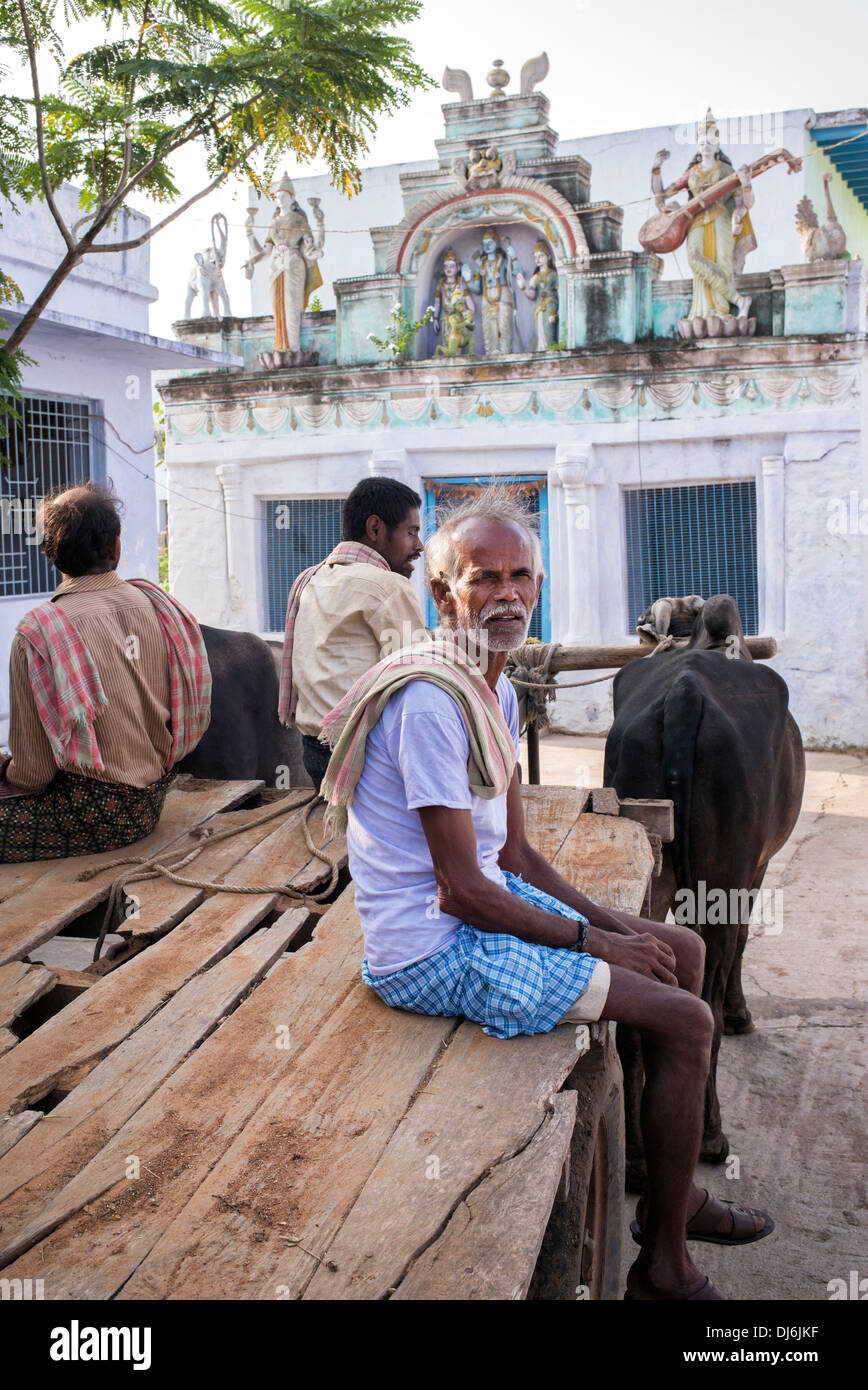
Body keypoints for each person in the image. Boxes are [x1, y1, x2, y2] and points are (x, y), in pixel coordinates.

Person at [319, 487, 773, 1301]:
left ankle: (672, 1193)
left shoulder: (490, 686)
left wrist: (617, 926)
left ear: (538, 585)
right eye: (483, 577)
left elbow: (517, 853)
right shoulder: (432, 701)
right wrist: (597, 943)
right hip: (429, 952)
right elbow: (461, 891)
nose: (506, 594)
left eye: (520, 576)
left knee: (688, 946)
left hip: (479, 912)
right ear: (442, 593)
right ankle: (662, 1266)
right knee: (688, 1016)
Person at [0, 483, 211, 862]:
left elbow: (32, 775)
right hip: (151, 800)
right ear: (115, 547)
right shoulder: (156, 605)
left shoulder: (36, 634)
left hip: (94, 816)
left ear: (51, 553)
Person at [279, 476, 427, 788]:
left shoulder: (312, 579)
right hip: (361, 757)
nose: (419, 546)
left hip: (313, 754)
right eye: (411, 533)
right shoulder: (386, 586)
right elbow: (420, 675)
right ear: (375, 529)